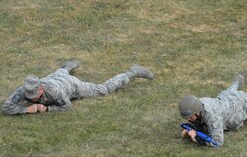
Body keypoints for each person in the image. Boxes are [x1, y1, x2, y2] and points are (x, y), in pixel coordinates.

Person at [2, 60, 154, 115]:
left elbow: (66, 107)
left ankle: (132, 72)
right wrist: (26, 109)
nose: (32, 96)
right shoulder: (23, 90)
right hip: (54, 78)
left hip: (72, 86)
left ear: (41, 88)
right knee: (59, 74)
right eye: (30, 93)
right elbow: (6, 108)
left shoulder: (55, 92)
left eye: (35, 93)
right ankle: (67, 66)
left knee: (104, 90)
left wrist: (47, 109)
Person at [179, 73, 247, 147]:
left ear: (198, 112)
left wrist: (196, 138)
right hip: (226, 96)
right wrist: (191, 128)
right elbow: (200, 121)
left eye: (190, 117)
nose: (188, 119)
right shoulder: (199, 102)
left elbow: (217, 142)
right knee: (230, 91)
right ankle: (237, 82)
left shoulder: (212, 116)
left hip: (243, 102)